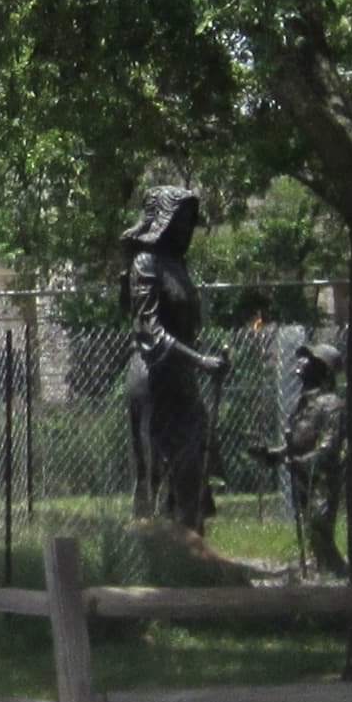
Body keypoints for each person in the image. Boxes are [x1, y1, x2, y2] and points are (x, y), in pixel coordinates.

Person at [116, 188, 229, 529]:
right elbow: (149, 329)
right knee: (156, 468)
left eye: (189, 221)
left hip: (181, 378)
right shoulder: (145, 263)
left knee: (193, 463)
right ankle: (155, 551)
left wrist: (205, 362)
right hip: (153, 379)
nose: (186, 229)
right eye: (180, 220)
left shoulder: (177, 266)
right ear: (162, 221)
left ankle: (190, 545)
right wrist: (201, 361)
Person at [271, 342, 347, 574]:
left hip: (322, 476)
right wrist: (279, 453)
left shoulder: (332, 404)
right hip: (303, 476)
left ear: (322, 369)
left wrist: (303, 461)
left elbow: (329, 445)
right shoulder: (305, 402)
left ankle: (338, 573)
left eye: (309, 360)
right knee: (309, 527)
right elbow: (299, 439)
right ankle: (322, 569)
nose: (300, 362)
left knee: (318, 525)